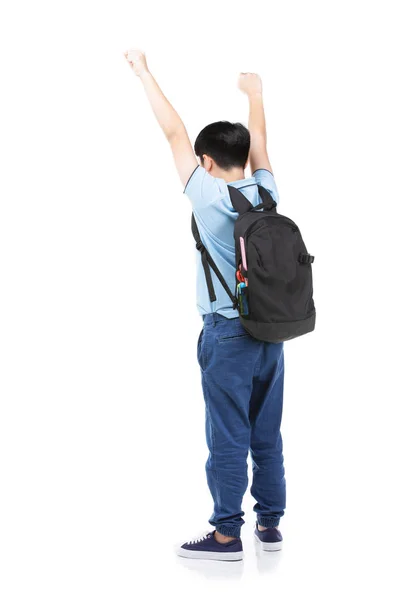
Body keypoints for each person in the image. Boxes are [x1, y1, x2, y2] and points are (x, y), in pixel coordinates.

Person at [124, 49, 285, 561]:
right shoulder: (265, 193)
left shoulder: (210, 197)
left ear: (208, 162)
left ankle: (225, 535)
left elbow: (175, 134)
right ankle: (270, 524)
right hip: (272, 330)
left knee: (228, 436)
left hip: (227, 334)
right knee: (266, 431)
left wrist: (143, 71)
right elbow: (261, 151)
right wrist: (255, 94)